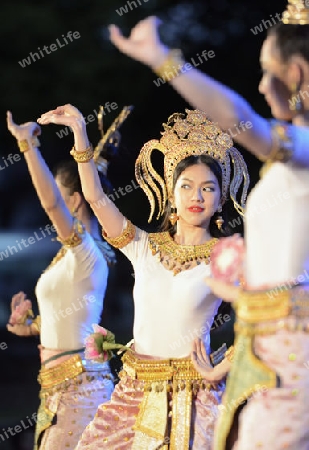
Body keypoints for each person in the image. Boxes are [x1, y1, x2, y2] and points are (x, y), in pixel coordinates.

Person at [108, 1, 309, 449]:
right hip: (264, 357)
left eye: (267, 71)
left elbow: (241, 119)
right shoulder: (289, 163)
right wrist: (240, 295)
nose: (260, 84)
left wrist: (165, 61)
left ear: (295, 73)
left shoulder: (303, 149)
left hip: (292, 358)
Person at [37, 105, 249, 449]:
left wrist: (222, 367)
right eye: (186, 186)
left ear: (221, 197)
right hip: (131, 398)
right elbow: (94, 196)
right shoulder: (143, 246)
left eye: (208, 188)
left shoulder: (226, 257)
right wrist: (79, 130)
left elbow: (265, 316)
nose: (196, 196)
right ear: (170, 193)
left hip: (194, 401)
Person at [5, 107, 131, 450]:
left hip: (81, 389)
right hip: (60, 388)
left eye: (60, 195)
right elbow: (75, 319)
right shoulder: (74, 256)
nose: (53, 204)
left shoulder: (87, 251)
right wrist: (31, 325)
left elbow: (48, 204)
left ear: (74, 201)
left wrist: (27, 144)